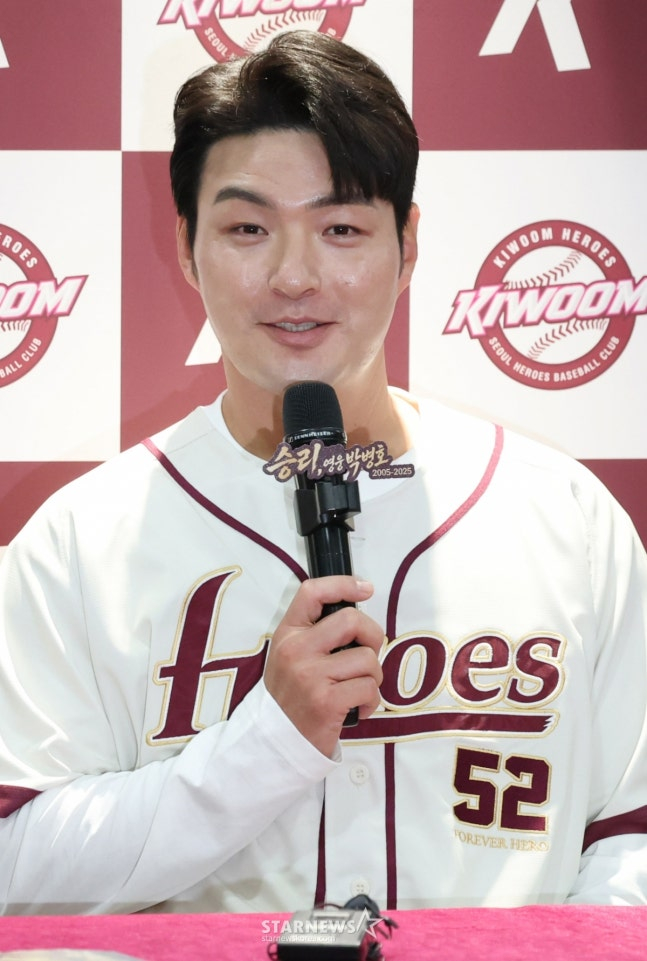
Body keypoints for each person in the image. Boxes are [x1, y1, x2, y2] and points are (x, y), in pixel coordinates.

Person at [1, 29, 647, 917]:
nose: (295, 276)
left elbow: (629, 836)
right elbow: (16, 869)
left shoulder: (563, 516)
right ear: (187, 246)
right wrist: (266, 742)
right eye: (248, 229)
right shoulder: (77, 543)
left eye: (341, 228)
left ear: (407, 245)